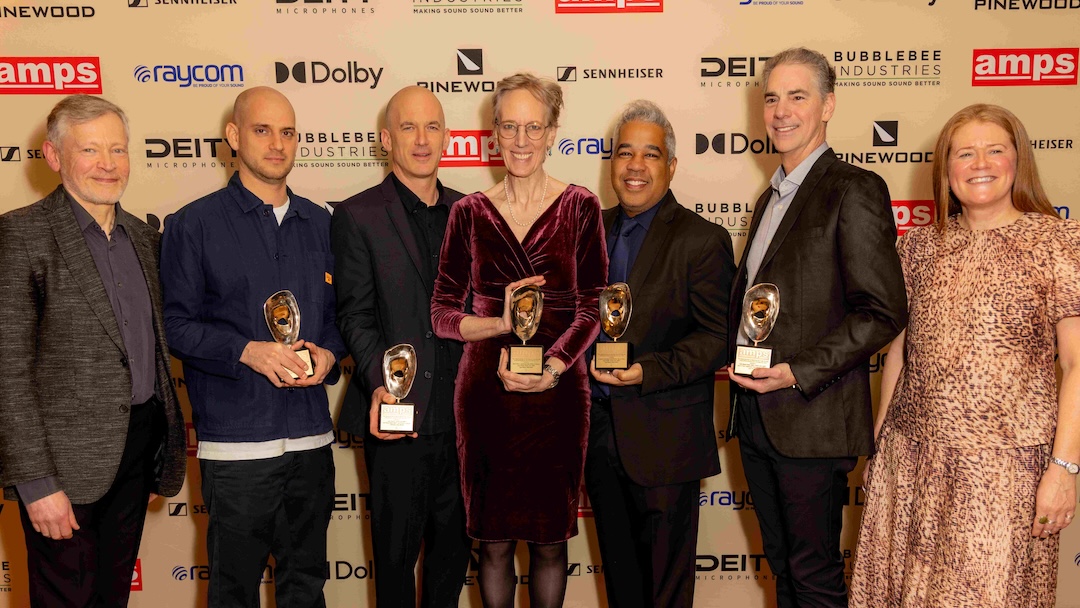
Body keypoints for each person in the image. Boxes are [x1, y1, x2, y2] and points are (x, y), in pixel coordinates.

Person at [850, 104, 1080, 607]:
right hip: (910, 462)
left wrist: (1065, 468)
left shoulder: (1058, 241)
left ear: (1018, 160)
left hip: (1005, 471)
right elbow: (900, 356)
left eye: (995, 149)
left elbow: (1076, 364)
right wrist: (880, 445)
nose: (981, 162)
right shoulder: (918, 248)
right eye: (965, 152)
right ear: (946, 167)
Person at [725, 47, 907, 607]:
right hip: (757, 418)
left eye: (797, 96)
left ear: (828, 105)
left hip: (813, 420)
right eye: (772, 97)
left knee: (815, 580)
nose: (781, 111)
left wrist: (796, 373)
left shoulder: (854, 189)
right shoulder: (770, 198)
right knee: (784, 574)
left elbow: (883, 311)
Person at [160, 86, 346, 607]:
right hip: (237, 446)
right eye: (262, 130)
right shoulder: (193, 224)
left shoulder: (323, 223)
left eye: (287, 132)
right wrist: (247, 350)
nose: (277, 143)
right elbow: (173, 326)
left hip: (311, 441)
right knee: (232, 591)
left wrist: (329, 356)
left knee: (306, 586)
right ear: (234, 136)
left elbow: (338, 321)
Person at [430, 72, 608, 608]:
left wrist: (551, 368)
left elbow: (593, 305)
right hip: (487, 394)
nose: (522, 139)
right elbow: (441, 314)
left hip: (558, 395)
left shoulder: (580, 206)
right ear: (494, 134)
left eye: (534, 126)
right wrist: (502, 325)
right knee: (492, 544)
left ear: (553, 132)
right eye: (510, 126)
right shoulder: (469, 212)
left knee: (551, 543)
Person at [0, 94, 186, 607]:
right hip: (63, 470)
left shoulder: (144, 238)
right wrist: (37, 484)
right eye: (90, 150)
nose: (108, 164)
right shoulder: (21, 234)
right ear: (55, 157)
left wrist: (155, 458)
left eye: (118, 150)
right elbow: (7, 372)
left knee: (111, 599)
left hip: (134, 454)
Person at [585, 100, 735, 608]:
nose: (634, 166)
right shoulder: (586, 233)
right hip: (598, 434)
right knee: (621, 585)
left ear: (671, 166)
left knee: (666, 593)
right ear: (611, 164)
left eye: (650, 155)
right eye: (624, 153)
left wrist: (646, 371)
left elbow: (718, 336)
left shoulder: (702, 240)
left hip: (665, 438)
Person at [331, 85, 471, 607]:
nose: (421, 139)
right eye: (408, 127)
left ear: (447, 138)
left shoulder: (471, 213)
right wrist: (380, 380)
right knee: (393, 564)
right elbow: (356, 314)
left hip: (462, 420)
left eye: (432, 127)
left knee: (451, 563)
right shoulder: (357, 215)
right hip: (398, 420)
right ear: (386, 139)